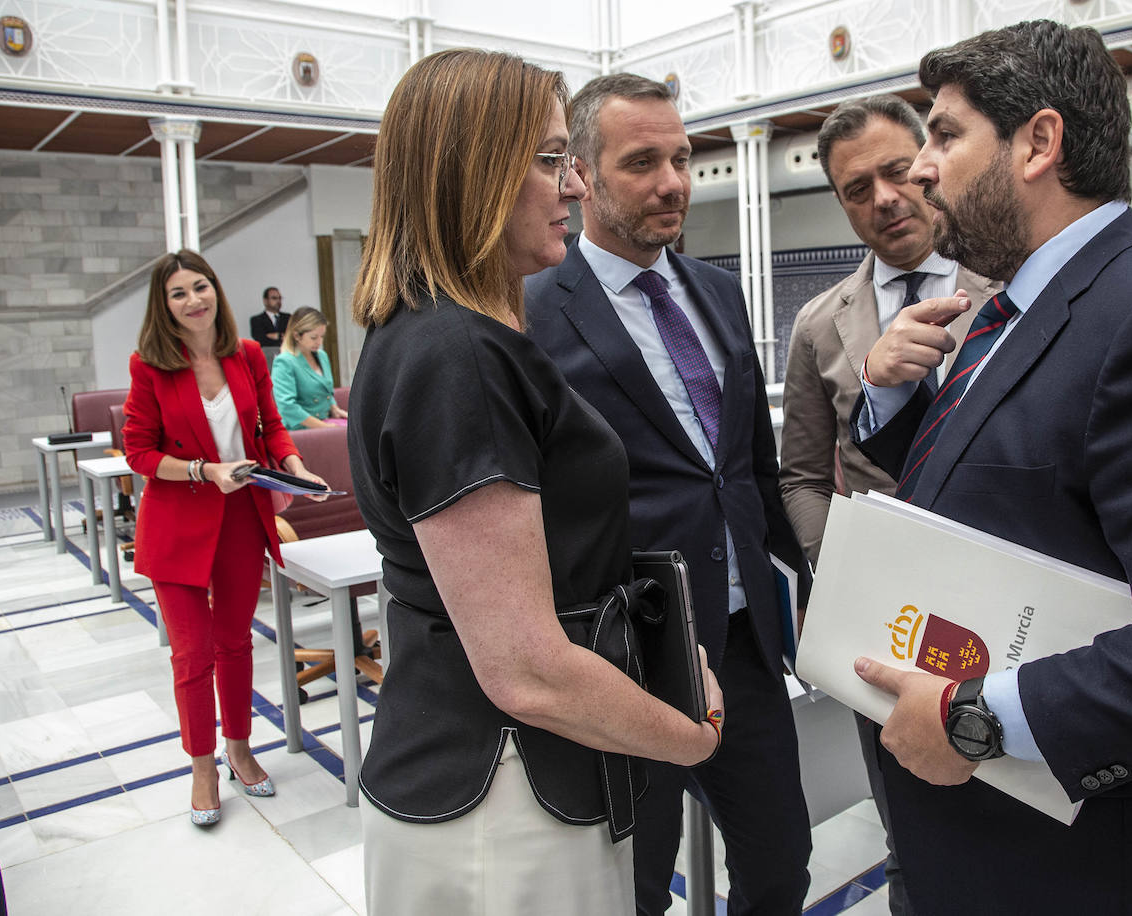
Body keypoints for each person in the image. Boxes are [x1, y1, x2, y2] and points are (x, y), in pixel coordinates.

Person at [846, 20, 1132, 914]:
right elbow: (1018, 487)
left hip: (1086, 865)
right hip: (984, 841)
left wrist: (975, 719)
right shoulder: (1014, 311)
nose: (919, 167)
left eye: (945, 135)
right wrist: (892, 399)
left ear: (1039, 142)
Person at [346, 49, 724, 916]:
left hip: (513, 771)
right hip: (502, 791)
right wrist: (687, 738)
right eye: (552, 159)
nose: (576, 188)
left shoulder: (450, 334)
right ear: (475, 173)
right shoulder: (458, 356)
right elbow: (527, 670)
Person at [526, 73, 812, 916]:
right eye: (643, 160)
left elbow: (748, 466)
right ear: (580, 173)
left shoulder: (717, 292)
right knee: (635, 886)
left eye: (683, 158)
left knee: (779, 864)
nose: (673, 182)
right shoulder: (534, 312)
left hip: (744, 644)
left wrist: (793, 601)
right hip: (627, 652)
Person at [779, 93, 999, 916]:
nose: (883, 200)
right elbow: (800, 474)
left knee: (1019, 811)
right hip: (889, 624)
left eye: (896, 172)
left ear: (930, 161)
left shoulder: (1014, 282)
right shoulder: (818, 325)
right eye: (855, 188)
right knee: (912, 826)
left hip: (1006, 610)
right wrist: (840, 569)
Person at [122, 250, 328, 828]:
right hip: (177, 525)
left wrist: (292, 463)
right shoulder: (150, 365)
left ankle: (239, 747)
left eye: (201, 286)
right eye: (178, 293)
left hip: (241, 519)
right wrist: (202, 472)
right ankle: (201, 766)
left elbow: (271, 422)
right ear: (164, 308)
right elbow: (138, 451)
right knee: (191, 653)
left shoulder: (248, 355)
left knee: (234, 644)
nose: (194, 300)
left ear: (216, 289)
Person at [270, 306, 347, 429]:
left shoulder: (322, 356)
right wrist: (324, 427)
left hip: (325, 422)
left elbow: (326, 390)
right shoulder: (284, 362)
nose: (319, 342)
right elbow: (287, 407)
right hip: (300, 430)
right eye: (314, 337)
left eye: (322, 337)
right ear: (296, 335)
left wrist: (335, 408)